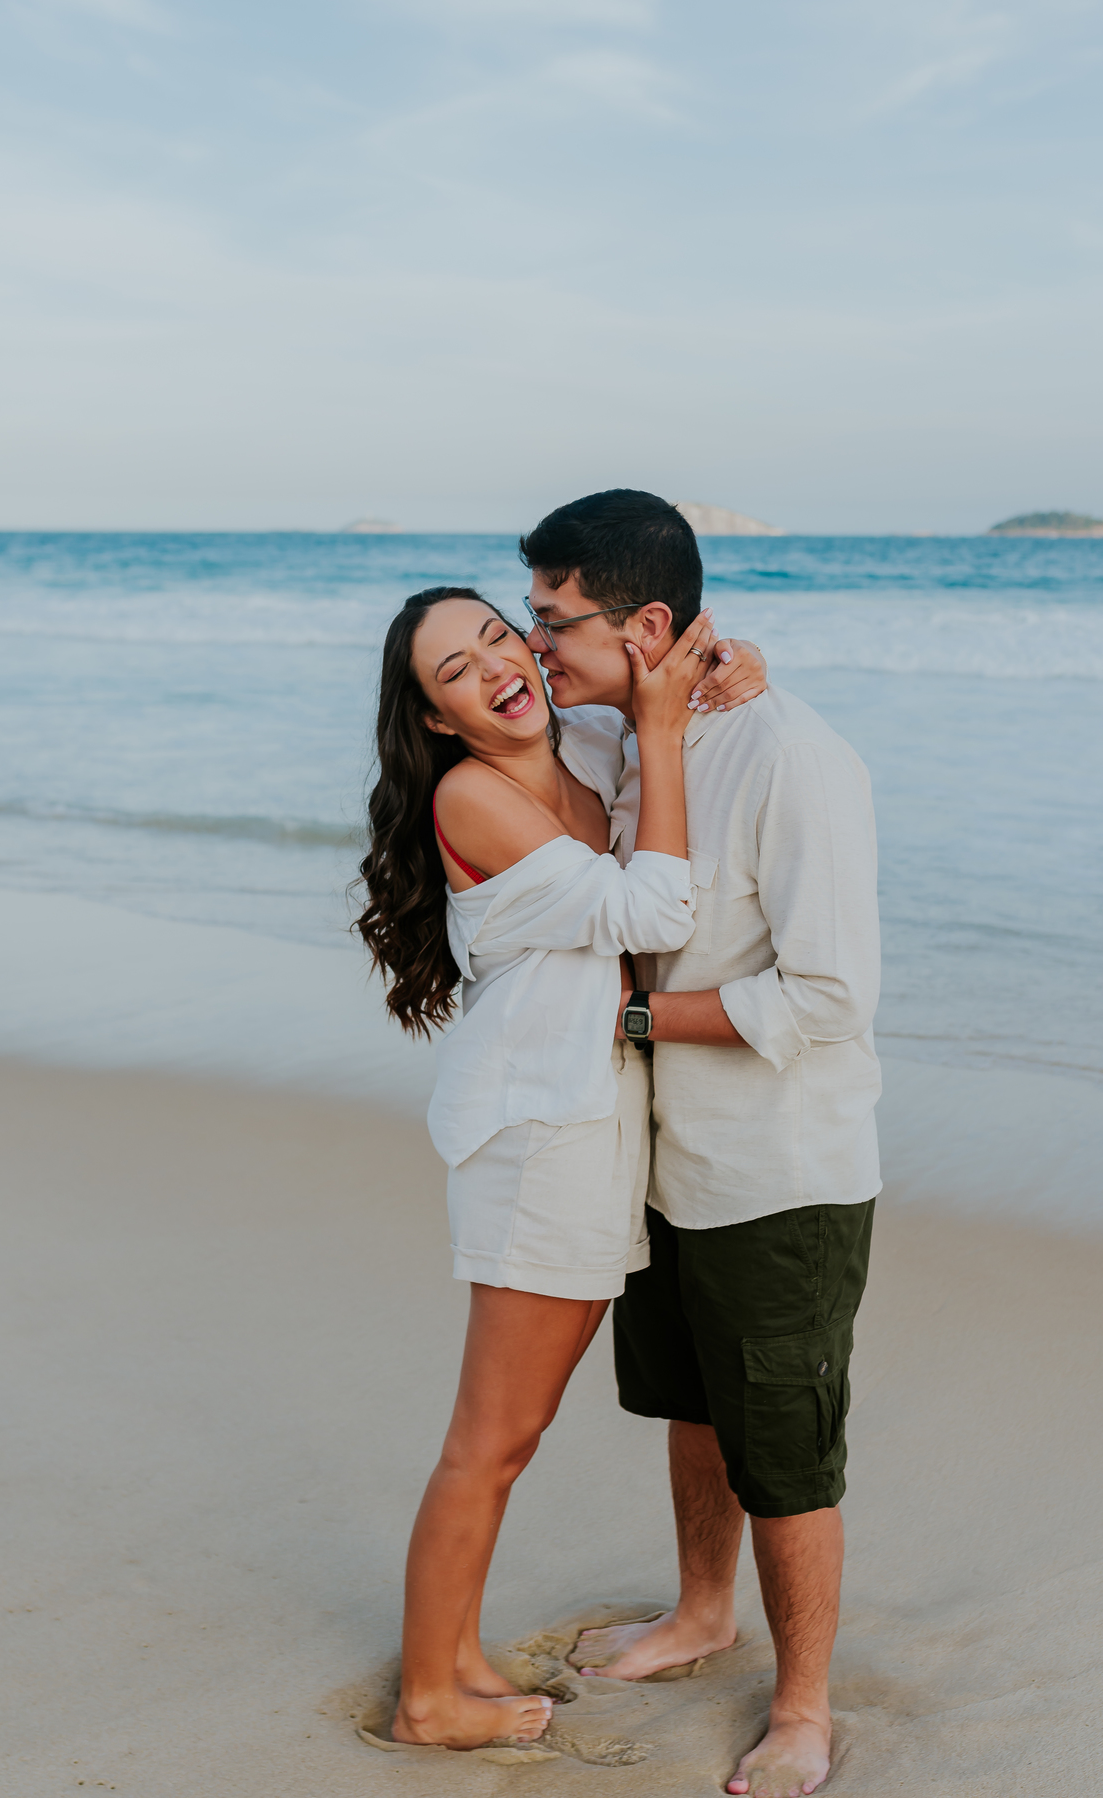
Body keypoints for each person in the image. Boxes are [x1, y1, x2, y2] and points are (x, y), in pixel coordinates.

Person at [355, 583, 767, 1751]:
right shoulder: (473, 795)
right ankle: (428, 1700)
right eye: (456, 669)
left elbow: (653, 675)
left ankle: (455, 1658)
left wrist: (734, 665)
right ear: (434, 717)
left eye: (499, 635)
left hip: (587, 1129)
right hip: (540, 1144)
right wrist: (668, 731)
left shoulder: (577, 744)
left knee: (511, 1437)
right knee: (489, 1439)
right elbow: (654, 910)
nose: (496, 665)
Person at [521, 490, 881, 1798]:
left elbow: (830, 995)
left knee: (783, 1448)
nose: (534, 646)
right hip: (662, 1158)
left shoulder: (792, 758)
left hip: (779, 1171)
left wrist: (629, 1017)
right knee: (692, 1402)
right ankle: (700, 1612)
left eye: (554, 622)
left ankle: (802, 1709)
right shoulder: (616, 733)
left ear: (646, 624)